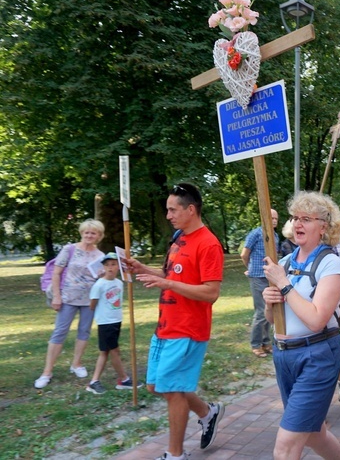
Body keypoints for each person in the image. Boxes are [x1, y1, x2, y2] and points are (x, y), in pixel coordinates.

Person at [126, 183, 225, 460]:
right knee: (157, 387)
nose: (168, 215)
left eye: (173, 209)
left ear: (190, 209)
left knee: (172, 391)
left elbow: (211, 292)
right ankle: (208, 412)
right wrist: (142, 268)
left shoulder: (209, 244)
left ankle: (175, 454)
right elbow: (171, 275)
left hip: (188, 329)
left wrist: (167, 282)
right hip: (166, 326)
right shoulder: (179, 237)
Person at [260, 191, 340, 460]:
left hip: (317, 355)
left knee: (286, 445)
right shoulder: (284, 262)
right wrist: (269, 299)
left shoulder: (331, 264)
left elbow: (316, 319)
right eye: (296, 217)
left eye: (306, 218)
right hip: (284, 355)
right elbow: (272, 318)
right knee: (312, 432)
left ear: (324, 227)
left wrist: (284, 285)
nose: (298, 223)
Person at [35, 219, 106, 389]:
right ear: (82, 233)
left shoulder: (100, 256)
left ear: (99, 236)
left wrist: (103, 275)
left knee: (84, 331)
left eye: (93, 233)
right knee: (59, 332)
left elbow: (99, 279)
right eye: (86, 232)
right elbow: (56, 273)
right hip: (67, 298)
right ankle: (47, 372)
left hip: (89, 300)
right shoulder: (70, 249)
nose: (89, 235)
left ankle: (76, 364)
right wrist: (57, 297)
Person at [85, 252, 138, 394]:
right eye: (107, 265)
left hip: (116, 320)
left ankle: (94, 381)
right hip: (105, 322)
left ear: (118, 267)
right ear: (103, 267)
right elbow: (92, 304)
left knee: (106, 351)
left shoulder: (119, 283)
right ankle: (124, 379)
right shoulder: (100, 285)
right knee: (114, 351)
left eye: (113, 264)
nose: (110, 267)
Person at [241, 208, 279, 357]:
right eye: (271, 218)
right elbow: (244, 254)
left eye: (276, 218)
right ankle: (255, 344)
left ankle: (266, 342)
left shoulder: (275, 236)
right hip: (257, 276)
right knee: (261, 311)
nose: (274, 220)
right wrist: (250, 269)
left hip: (270, 277)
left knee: (270, 309)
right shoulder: (256, 233)